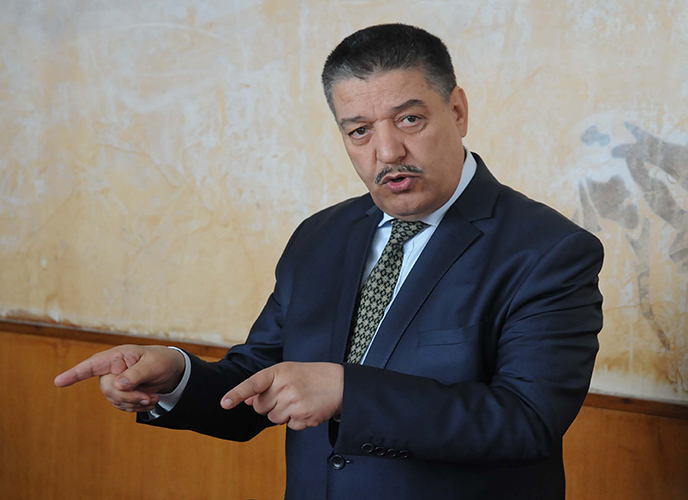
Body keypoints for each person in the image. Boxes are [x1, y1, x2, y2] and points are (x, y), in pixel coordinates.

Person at [55, 23, 604, 500]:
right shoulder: (320, 236)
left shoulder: (549, 250)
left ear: (457, 111)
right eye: (359, 130)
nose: (386, 152)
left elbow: (525, 422)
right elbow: (259, 377)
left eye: (409, 120)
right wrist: (175, 376)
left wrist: (348, 392)